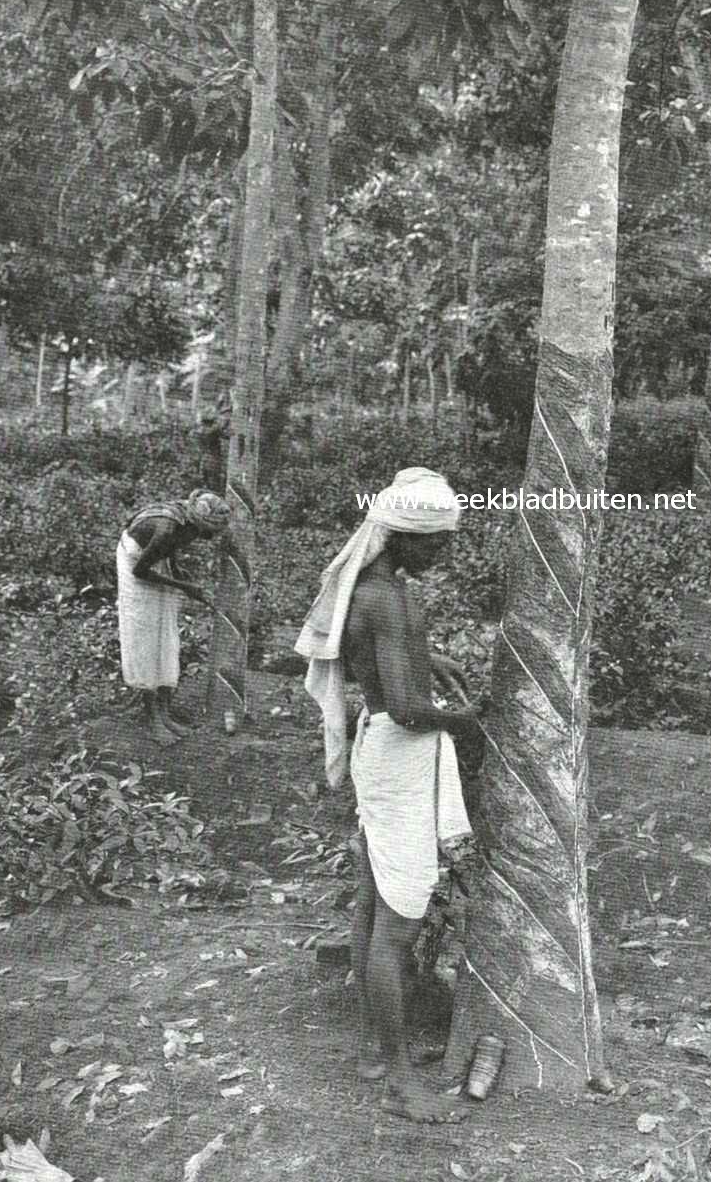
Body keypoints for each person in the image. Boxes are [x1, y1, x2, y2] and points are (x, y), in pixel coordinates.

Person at [294, 467, 479, 1125]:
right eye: (436, 541)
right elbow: (404, 707)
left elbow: (387, 661)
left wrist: (431, 659)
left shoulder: (380, 586)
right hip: (399, 754)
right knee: (397, 927)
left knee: (376, 903)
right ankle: (399, 1079)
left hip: (383, 749)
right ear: (402, 534)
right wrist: (473, 722)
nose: (443, 551)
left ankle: (378, 1047)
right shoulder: (390, 598)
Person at [116, 489, 230, 745]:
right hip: (135, 562)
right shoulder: (166, 528)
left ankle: (165, 713)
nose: (206, 538)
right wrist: (183, 586)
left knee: (165, 631)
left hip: (151, 558)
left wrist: (177, 572)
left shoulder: (185, 522)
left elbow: (171, 547)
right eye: (206, 532)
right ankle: (153, 719)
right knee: (143, 634)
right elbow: (140, 570)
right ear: (197, 523)